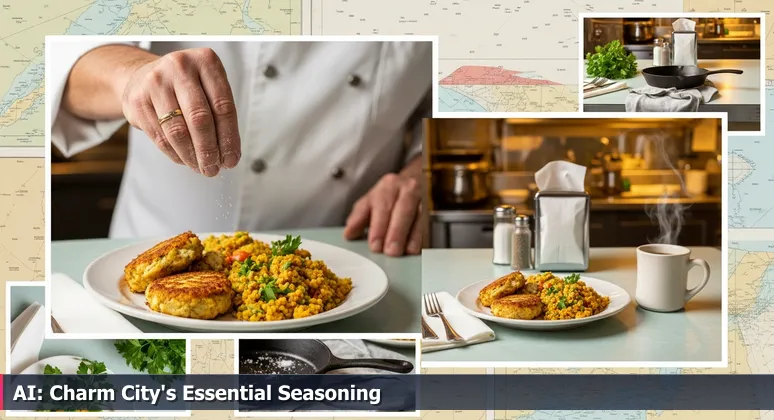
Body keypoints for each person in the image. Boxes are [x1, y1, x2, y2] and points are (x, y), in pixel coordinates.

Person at [49, 40, 432, 257]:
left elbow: (454, 101)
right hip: (149, 251)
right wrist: (132, 75)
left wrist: (423, 169)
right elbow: (54, 56)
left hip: (350, 253)